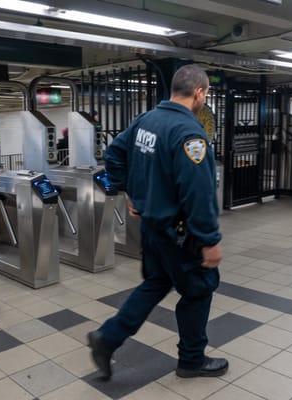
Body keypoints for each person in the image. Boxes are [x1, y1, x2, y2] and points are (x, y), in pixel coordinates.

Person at [87, 64, 227, 381]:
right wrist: (209, 240)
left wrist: (132, 194)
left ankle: (107, 338)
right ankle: (191, 360)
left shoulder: (146, 121)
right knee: (198, 291)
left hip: (151, 228)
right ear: (200, 93)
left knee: (155, 282)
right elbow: (198, 194)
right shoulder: (190, 135)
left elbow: (113, 155)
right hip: (180, 235)